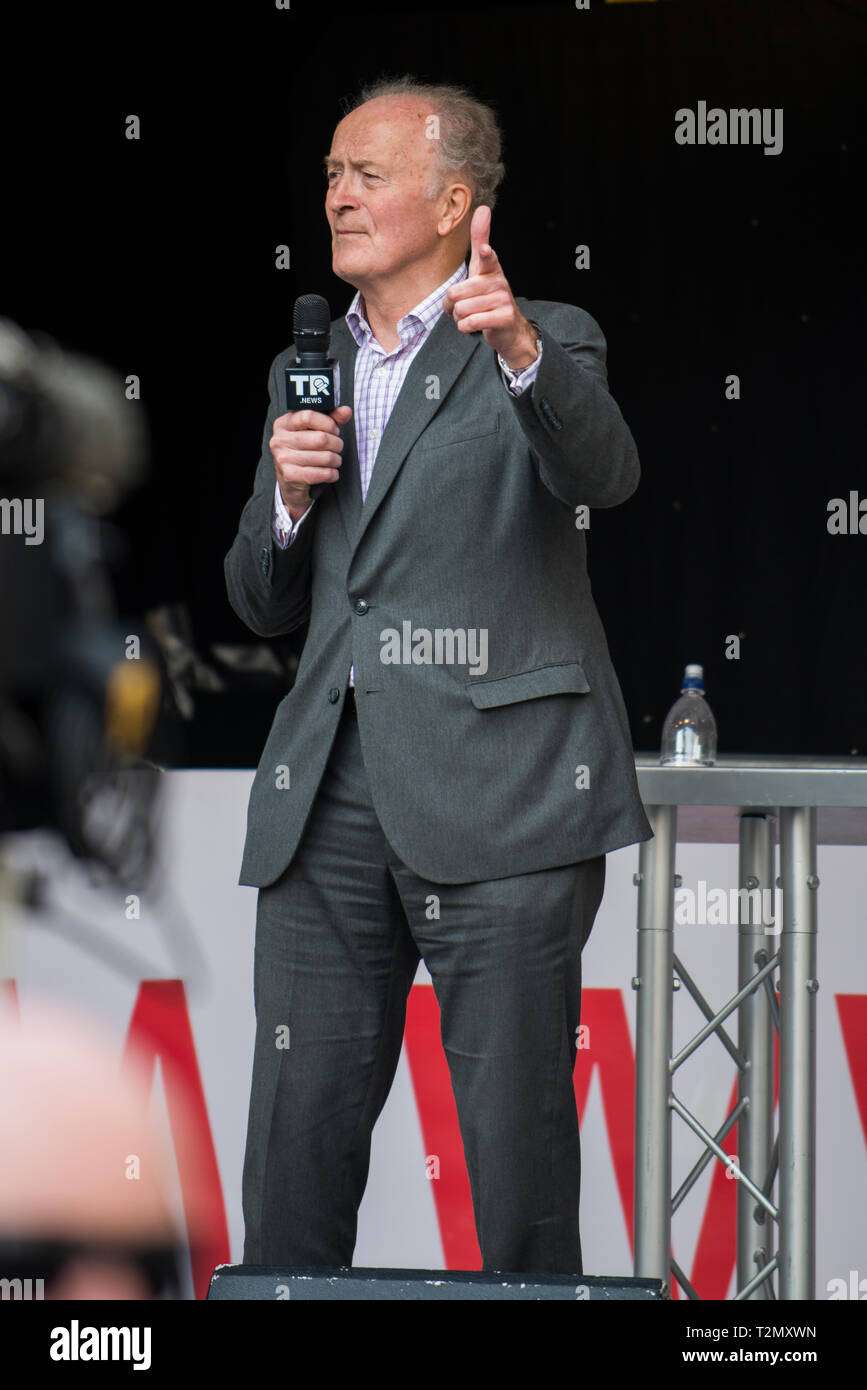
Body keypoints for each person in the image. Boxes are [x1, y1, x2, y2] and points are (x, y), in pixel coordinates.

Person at [225, 75, 652, 1276]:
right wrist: (289, 499)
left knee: (518, 1174)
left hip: (505, 794)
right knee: (291, 1165)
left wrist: (515, 345)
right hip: (329, 805)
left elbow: (605, 474)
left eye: (366, 172)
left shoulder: (545, 335)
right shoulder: (299, 367)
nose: (337, 195)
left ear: (455, 199)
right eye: (330, 173)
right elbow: (261, 601)